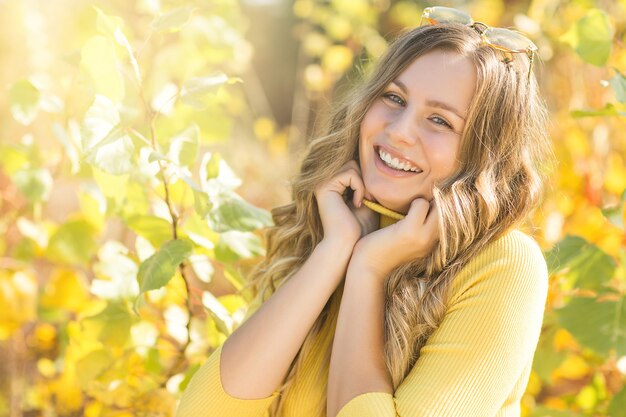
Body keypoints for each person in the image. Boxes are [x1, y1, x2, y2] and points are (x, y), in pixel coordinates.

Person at [176, 5, 554, 417]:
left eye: (440, 121)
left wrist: (367, 271)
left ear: (483, 153)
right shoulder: (330, 227)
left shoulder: (504, 265)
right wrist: (336, 250)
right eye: (393, 97)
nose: (398, 131)